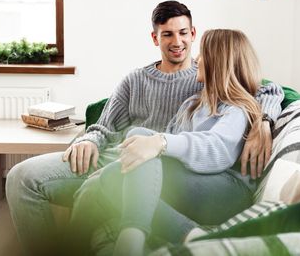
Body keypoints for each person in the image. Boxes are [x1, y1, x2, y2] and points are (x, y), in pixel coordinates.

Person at [5, 1, 283, 255]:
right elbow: (103, 126)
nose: (179, 42)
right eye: (168, 34)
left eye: (184, 33)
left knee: (130, 154)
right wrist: (88, 139)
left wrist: (265, 121)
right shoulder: (145, 84)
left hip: (165, 165)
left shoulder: (211, 82)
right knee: (21, 177)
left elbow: (260, 88)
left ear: (194, 34)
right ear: (155, 38)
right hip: (121, 156)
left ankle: (127, 239)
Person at [64, 29, 274, 256]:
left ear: (218, 61)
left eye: (202, 53)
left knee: (118, 172)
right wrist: (145, 147)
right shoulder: (192, 105)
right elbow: (155, 150)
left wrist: (161, 143)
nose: (196, 59)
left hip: (227, 191)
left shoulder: (236, 107)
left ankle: (129, 244)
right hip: (194, 182)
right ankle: (191, 235)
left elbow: (216, 150)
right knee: (120, 161)